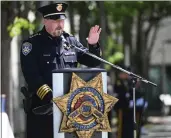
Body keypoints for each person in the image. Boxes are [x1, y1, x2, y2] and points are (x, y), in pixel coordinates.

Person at [20, 2, 102, 138]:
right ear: (45, 21)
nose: (60, 24)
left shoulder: (70, 42)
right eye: (55, 20)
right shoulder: (32, 44)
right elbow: (32, 76)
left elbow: (93, 61)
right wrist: (53, 98)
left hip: (71, 110)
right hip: (44, 109)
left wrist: (93, 45)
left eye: (62, 20)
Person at [114, 66, 147, 138]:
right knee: (121, 126)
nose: (126, 75)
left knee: (128, 127)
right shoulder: (119, 82)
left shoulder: (128, 82)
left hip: (128, 107)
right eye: (124, 73)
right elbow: (121, 93)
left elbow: (132, 92)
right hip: (121, 107)